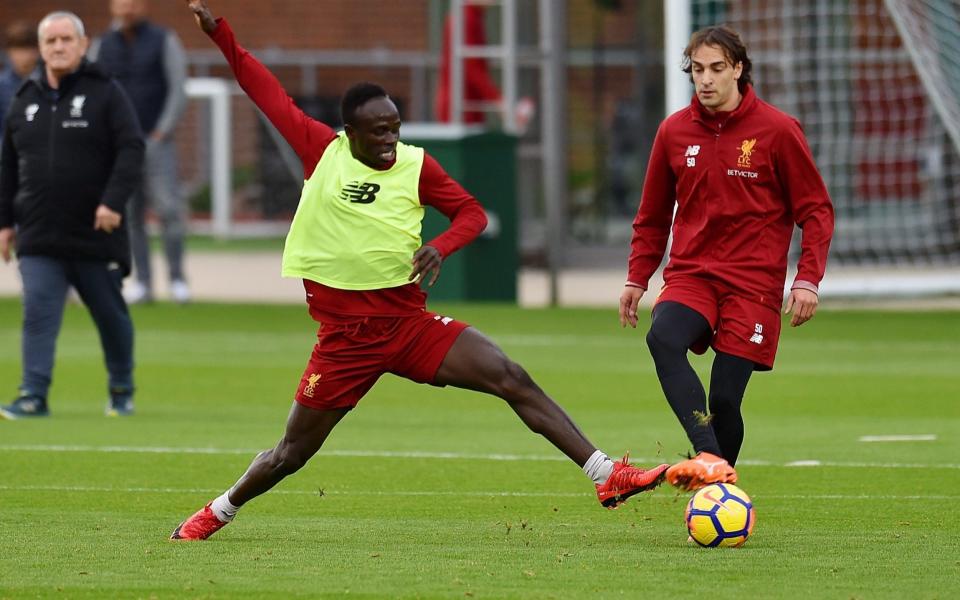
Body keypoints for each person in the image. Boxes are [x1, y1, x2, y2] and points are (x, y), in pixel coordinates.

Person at [171, 0, 670, 541]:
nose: (390, 140)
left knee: (511, 376)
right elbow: (258, 83)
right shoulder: (321, 150)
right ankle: (218, 510)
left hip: (407, 326)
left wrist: (442, 246)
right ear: (350, 132)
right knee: (291, 453)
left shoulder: (415, 164)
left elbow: (472, 213)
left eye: (395, 128)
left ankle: (605, 475)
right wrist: (219, 32)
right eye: (379, 132)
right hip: (344, 341)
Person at [618, 26, 834, 491]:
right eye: (698, 70)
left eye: (717, 68)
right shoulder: (673, 132)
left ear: (738, 68)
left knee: (724, 399)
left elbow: (815, 211)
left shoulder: (777, 131)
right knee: (663, 338)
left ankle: (715, 481)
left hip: (753, 286)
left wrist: (807, 279)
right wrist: (638, 277)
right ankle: (710, 458)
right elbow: (652, 216)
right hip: (692, 274)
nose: (706, 79)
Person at [0, 11, 144, 419]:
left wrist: (113, 202)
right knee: (38, 313)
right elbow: (8, 165)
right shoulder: (24, 99)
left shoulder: (107, 93)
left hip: (94, 233)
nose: (59, 47)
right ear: (42, 50)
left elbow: (132, 149)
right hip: (39, 234)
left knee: (109, 315)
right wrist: (5, 223)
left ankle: (121, 387)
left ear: (83, 45)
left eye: (67, 39)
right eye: (51, 41)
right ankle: (33, 393)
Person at [91, 0, 190, 304]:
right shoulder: (102, 45)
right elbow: (95, 91)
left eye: (133, 3)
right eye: (122, 4)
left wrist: (162, 131)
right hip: (120, 146)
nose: (127, 9)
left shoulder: (164, 40)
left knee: (169, 211)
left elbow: (177, 88)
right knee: (131, 216)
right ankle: (143, 282)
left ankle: (176, 279)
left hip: (155, 142)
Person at [434, 1, 533, 131]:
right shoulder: (465, 18)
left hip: (467, 101)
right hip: (459, 103)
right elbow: (471, 68)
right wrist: (499, 102)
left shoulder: (472, 16)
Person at [0, 21, 40, 139]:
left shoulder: (48, 82)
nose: (25, 57)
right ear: (8, 52)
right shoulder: (2, 86)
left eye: (29, 49)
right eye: (18, 50)